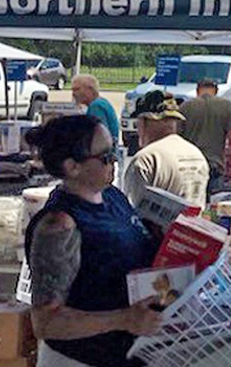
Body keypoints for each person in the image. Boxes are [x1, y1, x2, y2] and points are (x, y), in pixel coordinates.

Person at [24, 115, 160, 367]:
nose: (115, 162)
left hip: (128, 355)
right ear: (71, 167)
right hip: (82, 359)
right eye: (105, 157)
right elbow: (46, 322)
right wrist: (124, 319)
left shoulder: (112, 196)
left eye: (115, 152)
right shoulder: (59, 225)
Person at [123, 90, 210, 210]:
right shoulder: (196, 154)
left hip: (159, 229)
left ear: (144, 122)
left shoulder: (146, 159)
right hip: (193, 227)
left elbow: (132, 211)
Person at [179, 78, 231, 193]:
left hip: (189, 167)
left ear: (197, 91)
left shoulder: (185, 107)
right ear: (216, 91)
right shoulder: (226, 106)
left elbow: (176, 138)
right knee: (213, 206)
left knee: (191, 206)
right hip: (214, 166)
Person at [71, 75, 119, 146]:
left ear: (90, 89)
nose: (73, 94)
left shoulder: (96, 106)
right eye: (72, 90)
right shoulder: (102, 102)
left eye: (77, 89)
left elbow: (99, 136)